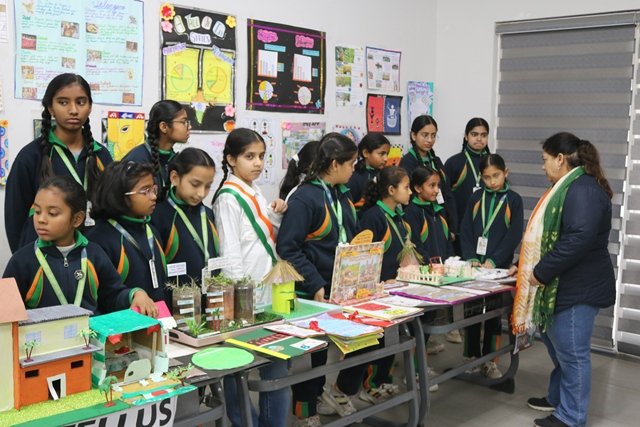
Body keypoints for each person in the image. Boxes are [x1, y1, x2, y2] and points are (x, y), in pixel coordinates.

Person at [511, 132, 616, 427]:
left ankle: (571, 417)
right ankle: (559, 398)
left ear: (560, 159)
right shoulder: (568, 188)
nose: (542, 166)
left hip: (579, 288)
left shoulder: (582, 190)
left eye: (545, 159)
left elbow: (577, 239)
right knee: (560, 349)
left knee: (572, 355)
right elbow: (545, 239)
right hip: (565, 285)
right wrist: (522, 266)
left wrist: (540, 272)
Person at [277, 133, 359, 427]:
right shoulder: (305, 198)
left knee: (347, 348)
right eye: (351, 163)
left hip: (342, 288)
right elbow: (288, 248)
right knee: (311, 357)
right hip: (312, 292)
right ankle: (305, 412)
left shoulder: (340, 194)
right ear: (334, 164)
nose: (354, 169)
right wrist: (316, 284)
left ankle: (328, 395)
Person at [212, 128, 289, 427]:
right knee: (238, 371)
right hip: (245, 299)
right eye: (249, 156)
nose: (257, 163)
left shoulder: (254, 189)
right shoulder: (228, 197)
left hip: (268, 292)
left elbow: (265, 236)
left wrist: (277, 212)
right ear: (231, 159)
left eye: (261, 156)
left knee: (277, 370)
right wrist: (240, 302)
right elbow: (230, 254)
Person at [3, 175, 157, 316]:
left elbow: (113, 296)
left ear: (77, 219)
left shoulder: (94, 254)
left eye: (52, 213)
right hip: (43, 337)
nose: (41, 219)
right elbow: (6, 312)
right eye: (37, 211)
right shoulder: (22, 261)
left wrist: (135, 294)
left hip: (89, 336)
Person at [5, 73, 112, 253]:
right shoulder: (31, 157)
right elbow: (15, 217)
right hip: (44, 258)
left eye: (81, 102)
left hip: (92, 257)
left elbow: (112, 211)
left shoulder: (102, 155)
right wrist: (24, 260)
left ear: (90, 107)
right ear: (50, 108)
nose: (73, 110)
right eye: (63, 102)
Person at [459, 153, 523, 378]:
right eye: (487, 177)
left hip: (499, 269)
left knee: (494, 314)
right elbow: (466, 229)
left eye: (496, 176)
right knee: (472, 312)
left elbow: (514, 234)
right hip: (475, 268)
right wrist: (470, 256)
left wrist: (495, 259)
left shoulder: (513, 200)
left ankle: (490, 360)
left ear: (506, 173)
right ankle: (471, 356)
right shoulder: (476, 198)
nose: (492, 181)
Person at [355, 166, 412, 403]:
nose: (410, 192)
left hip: (395, 290)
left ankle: (380, 379)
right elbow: (364, 259)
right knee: (376, 341)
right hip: (376, 291)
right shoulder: (373, 218)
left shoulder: (399, 216)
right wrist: (379, 282)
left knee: (392, 338)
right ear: (391, 190)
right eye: (406, 187)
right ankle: (367, 384)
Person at [88, 161, 167, 304]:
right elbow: (104, 295)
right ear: (120, 196)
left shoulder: (151, 230)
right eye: (145, 191)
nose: (153, 196)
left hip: (159, 315)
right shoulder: (99, 239)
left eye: (154, 189)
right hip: (122, 317)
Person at [151, 148, 218, 287]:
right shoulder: (157, 216)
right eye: (195, 184)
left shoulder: (208, 214)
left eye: (207, 186)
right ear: (175, 178)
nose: (201, 193)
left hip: (211, 295)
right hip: (175, 297)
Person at [399, 115, 458, 237]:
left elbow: (447, 193)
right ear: (414, 135)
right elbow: (408, 197)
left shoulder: (436, 161)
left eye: (433, 135)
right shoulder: (408, 162)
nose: (430, 140)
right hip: (420, 220)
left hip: (440, 217)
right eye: (425, 135)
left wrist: (452, 226)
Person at [123, 100, 190, 199]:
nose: (189, 127)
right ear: (164, 127)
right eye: (183, 122)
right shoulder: (137, 160)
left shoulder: (175, 160)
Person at [405, 166, 454, 263]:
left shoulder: (439, 210)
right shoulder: (412, 212)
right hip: (426, 269)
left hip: (443, 268)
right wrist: (433, 265)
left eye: (438, 185)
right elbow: (416, 246)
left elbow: (448, 242)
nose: (437, 190)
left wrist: (450, 263)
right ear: (418, 188)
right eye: (432, 185)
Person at [346, 132, 391, 212]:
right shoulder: (354, 178)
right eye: (381, 154)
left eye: (387, 154)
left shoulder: (385, 175)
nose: (386, 159)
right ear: (366, 153)